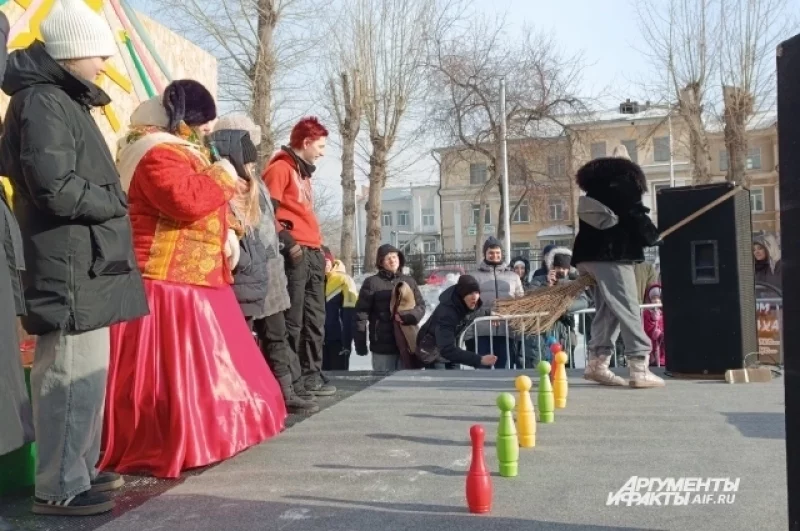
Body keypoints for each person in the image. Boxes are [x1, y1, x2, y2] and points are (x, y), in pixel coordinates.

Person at [0, 0, 150, 515]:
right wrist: (114, 198)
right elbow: (54, 186)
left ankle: (79, 469)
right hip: (67, 264)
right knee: (67, 374)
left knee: (86, 376)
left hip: (83, 262)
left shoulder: (61, 100)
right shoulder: (43, 101)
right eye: (98, 55)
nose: (104, 64)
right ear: (70, 53)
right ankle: (60, 485)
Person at [99, 80, 287, 479]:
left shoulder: (174, 149)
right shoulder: (154, 153)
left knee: (211, 370)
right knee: (175, 375)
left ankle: (212, 434)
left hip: (194, 278)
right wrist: (221, 174)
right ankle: (183, 439)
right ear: (183, 121)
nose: (206, 133)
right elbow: (185, 201)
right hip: (167, 282)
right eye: (202, 125)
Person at [211, 115, 318, 414]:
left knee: (277, 334)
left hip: (267, 271)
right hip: (243, 274)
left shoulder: (253, 183)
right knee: (240, 339)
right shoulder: (223, 181)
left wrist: (281, 245)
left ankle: (284, 391)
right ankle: (242, 396)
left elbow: (268, 223)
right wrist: (243, 259)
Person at [571, 154, 663, 388]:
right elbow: (634, 213)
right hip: (613, 256)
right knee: (628, 307)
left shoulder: (593, 189)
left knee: (607, 308)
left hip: (587, 256)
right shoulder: (623, 181)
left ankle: (597, 364)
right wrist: (651, 236)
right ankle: (639, 366)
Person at [263, 117, 335, 396]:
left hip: (312, 252)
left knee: (315, 319)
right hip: (295, 253)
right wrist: (288, 242)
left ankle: (311, 374)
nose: (322, 152)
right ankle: (292, 379)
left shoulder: (303, 174)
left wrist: (322, 249)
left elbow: (306, 217)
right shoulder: (280, 169)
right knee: (295, 319)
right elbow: (266, 214)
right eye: (320, 146)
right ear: (305, 143)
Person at [354, 244, 426, 370]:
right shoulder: (372, 283)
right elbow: (361, 314)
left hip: (407, 341)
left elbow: (421, 306)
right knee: (382, 383)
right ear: (381, 262)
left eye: (394, 256)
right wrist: (360, 342)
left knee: (406, 383)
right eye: (388, 258)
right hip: (383, 345)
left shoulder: (409, 281)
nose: (392, 260)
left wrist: (408, 317)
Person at [416, 275, 498, 369]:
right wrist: (479, 359)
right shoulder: (447, 312)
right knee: (441, 382)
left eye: (476, 292)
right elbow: (446, 350)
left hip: (451, 350)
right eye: (469, 293)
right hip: (433, 351)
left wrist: (490, 314)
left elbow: (478, 311)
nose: (474, 297)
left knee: (456, 379)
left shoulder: (468, 305)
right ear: (461, 295)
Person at [466, 236, 524, 368]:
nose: (494, 256)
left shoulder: (513, 277)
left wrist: (506, 312)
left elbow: (520, 301)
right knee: (482, 369)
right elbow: (469, 304)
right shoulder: (474, 276)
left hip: (506, 330)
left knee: (503, 369)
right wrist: (488, 314)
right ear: (485, 254)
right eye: (491, 253)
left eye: (497, 253)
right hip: (482, 331)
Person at [528, 247, 588, 368]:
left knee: (564, 363)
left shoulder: (573, 284)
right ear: (552, 267)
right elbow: (530, 297)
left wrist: (563, 307)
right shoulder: (539, 280)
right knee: (543, 362)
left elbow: (584, 301)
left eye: (564, 268)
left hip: (565, 329)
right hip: (543, 329)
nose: (561, 270)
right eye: (558, 267)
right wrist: (547, 284)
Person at [323, 248, 358, 371]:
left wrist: (347, 341)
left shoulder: (344, 280)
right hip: (317, 340)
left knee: (338, 377)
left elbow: (350, 314)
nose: (324, 265)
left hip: (338, 339)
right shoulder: (313, 280)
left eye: (326, 261)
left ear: (332, 261)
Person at [643, 283, 664, 367]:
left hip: (662, 342)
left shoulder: (663, 312)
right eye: (653, 298)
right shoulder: (646, 312)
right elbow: (646, 327)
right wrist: (652, 328)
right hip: (651, 342)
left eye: (658, 298)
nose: (656, 300)